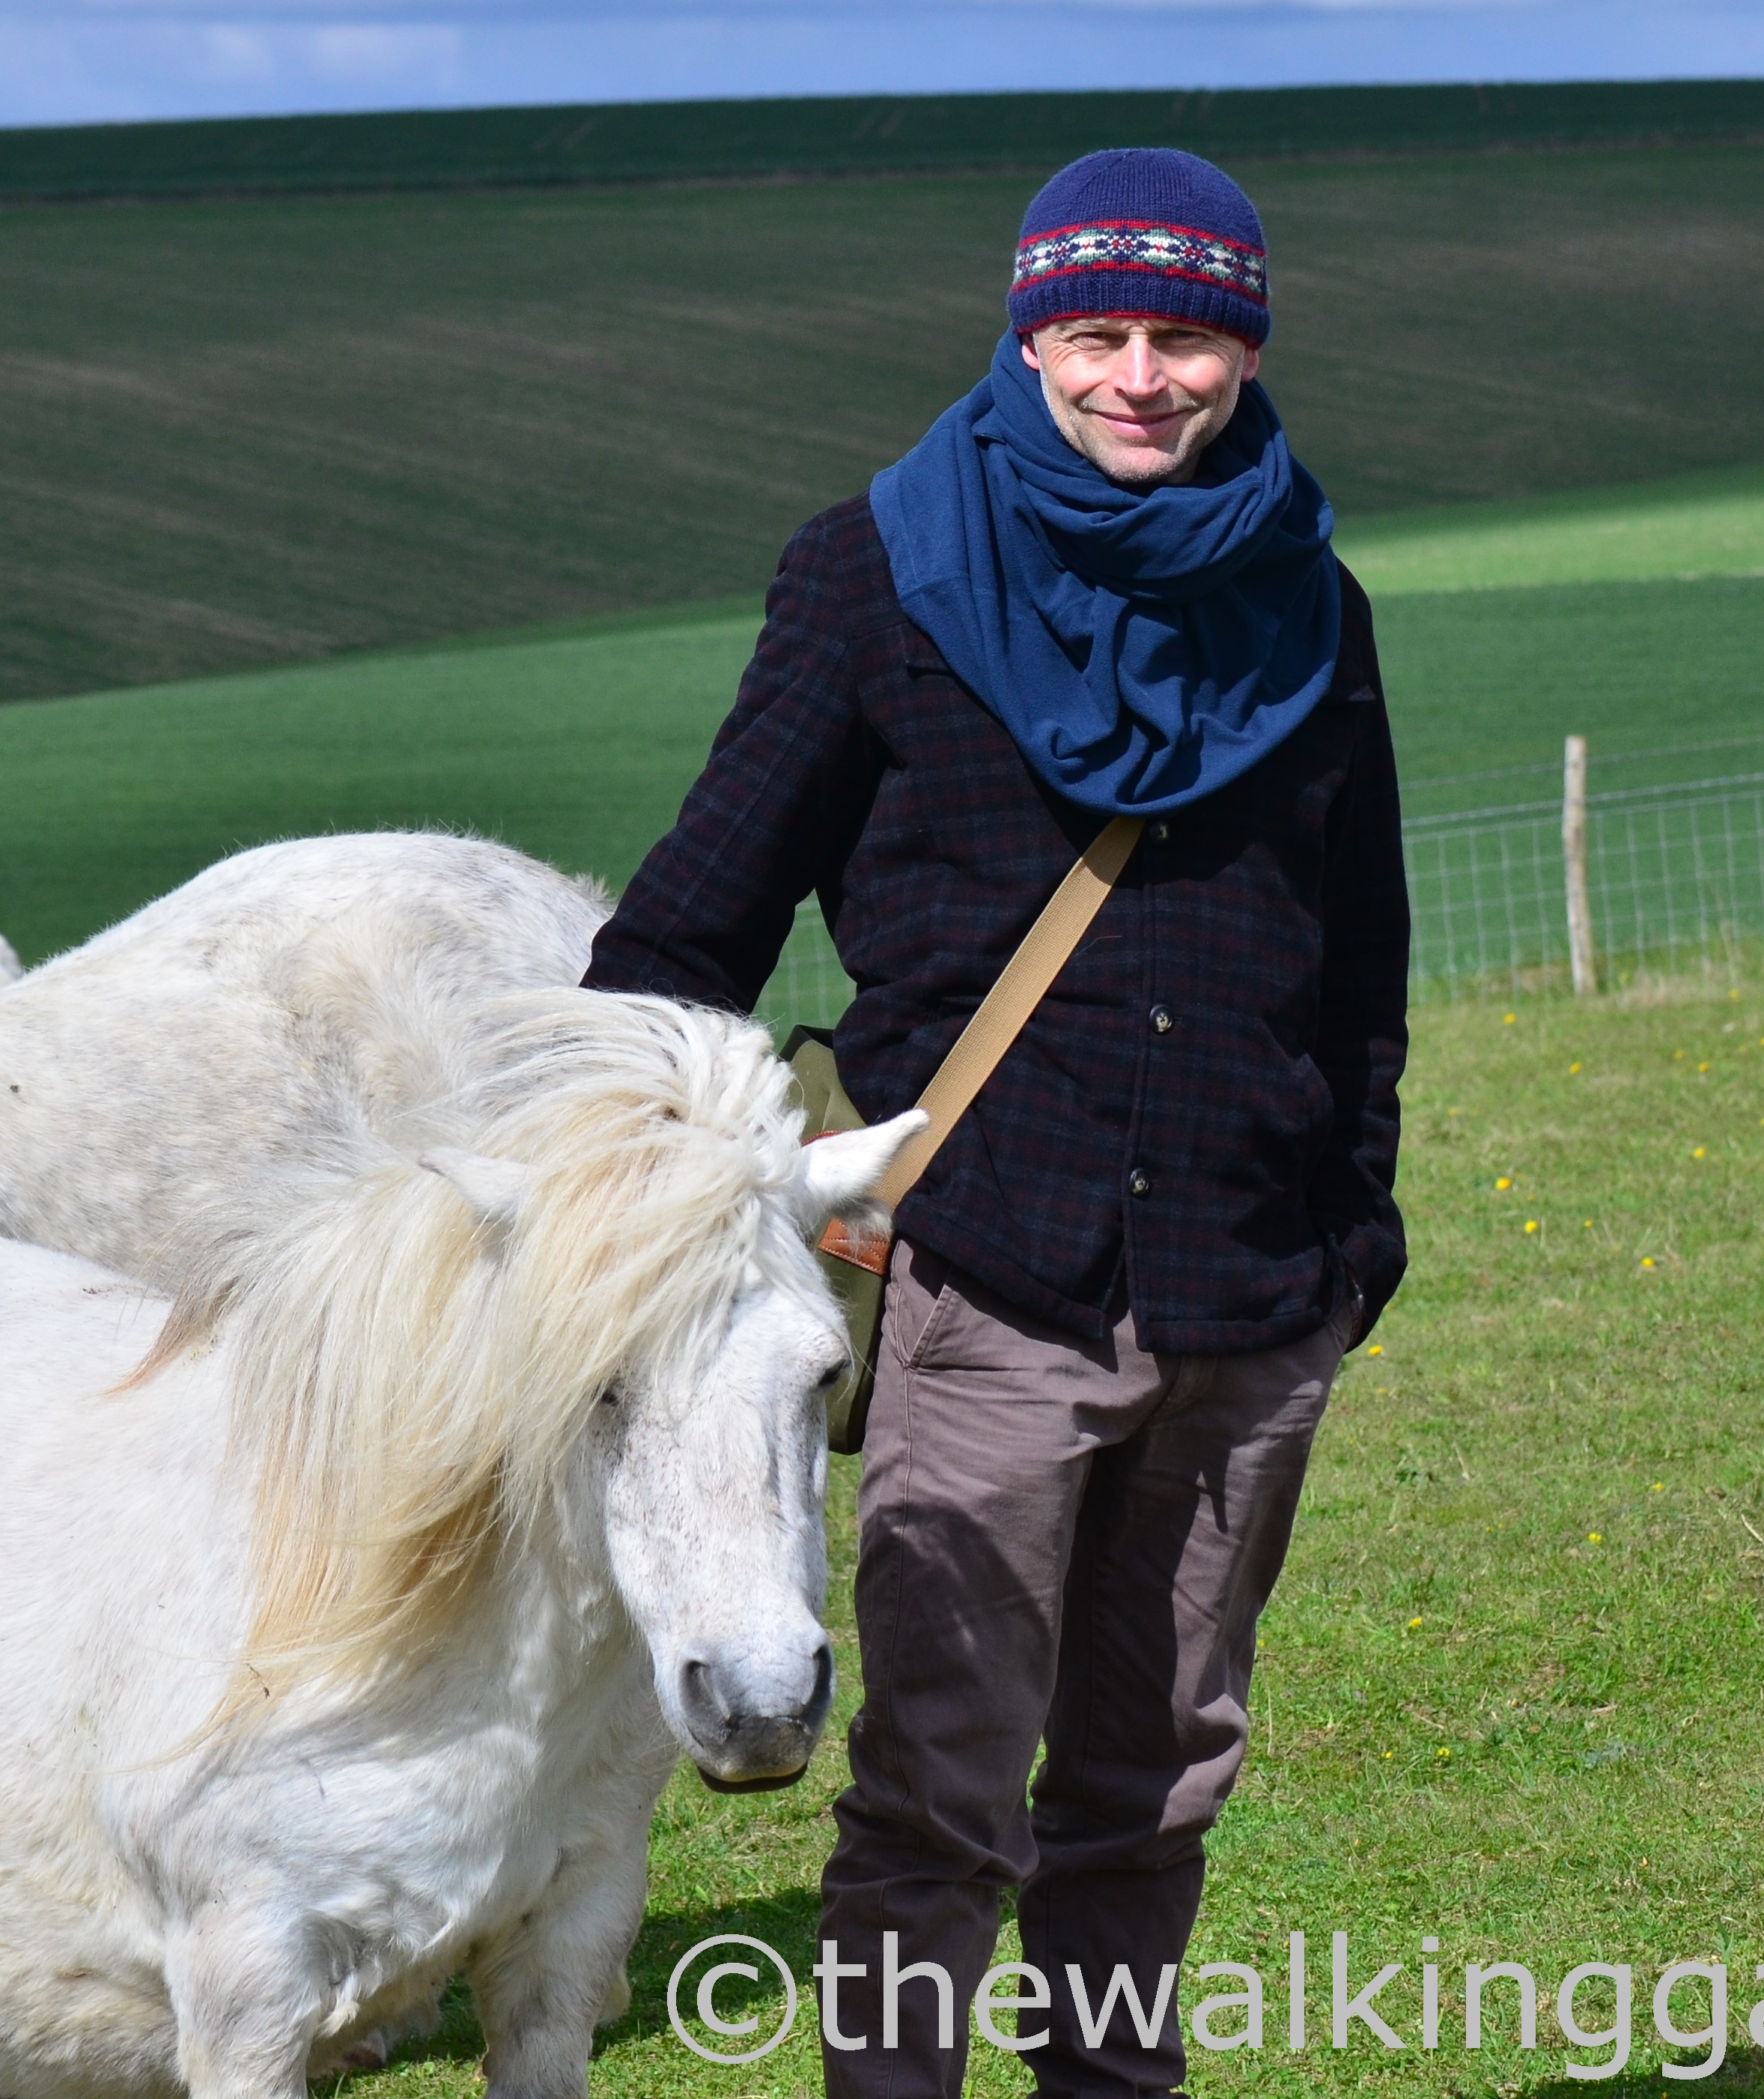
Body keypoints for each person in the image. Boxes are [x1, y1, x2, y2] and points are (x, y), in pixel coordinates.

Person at [585, 146, 1408, 2099]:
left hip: (1248, 1292)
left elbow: (1360, 960)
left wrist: (1349, 1244)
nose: (1142, 377)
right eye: (1097, 332)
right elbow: (691, 922)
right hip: (983, 1283)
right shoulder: (872, 577)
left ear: (1245, 344)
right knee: (943, 1794)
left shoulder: (1311, 605)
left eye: (1186, 335)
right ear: (1030, 332)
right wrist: (621, 1205)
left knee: (1153, 1783)